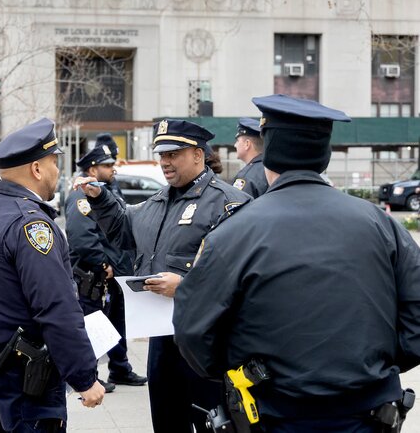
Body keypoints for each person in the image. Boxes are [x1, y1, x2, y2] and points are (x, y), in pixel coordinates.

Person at [173, 94, 420, 431]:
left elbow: (192, 329)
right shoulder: (382, 224)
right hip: (368, 411)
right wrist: (376, 365)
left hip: (275, 411)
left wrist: (242, 371)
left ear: (269, 151)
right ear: (325, 155)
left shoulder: (234, 232)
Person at [76, 119, 251, 433]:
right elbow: (125, 229)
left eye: (173, 154)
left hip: (207, 342)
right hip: (162, 340)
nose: (165, 162)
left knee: (211, 423)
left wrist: (185, 287)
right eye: (161, 154)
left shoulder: (228, 203)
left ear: (197, 154)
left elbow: (241, 277)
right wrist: (100, 199)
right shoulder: (159, 201)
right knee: (167, 419)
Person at [0, 117, 104, 432]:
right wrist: (84, 377)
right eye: (54, 163)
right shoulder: (30, 225)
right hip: (29, 376)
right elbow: (55, 307)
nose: (58, 171)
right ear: (37, 169)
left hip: (2, 368)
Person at [65, 144, 147, 393]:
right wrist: (103, 265)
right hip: (93, 275)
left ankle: (120, 368)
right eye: (107, 166)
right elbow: (82, 238)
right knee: (93, 325)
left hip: (112, 274)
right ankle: (91, 376)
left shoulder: (106, 192)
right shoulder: (81, 197)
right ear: (92, 169)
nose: (113, 169)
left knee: (115, 323)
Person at [231, 117, 268, 198]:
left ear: (247, 144)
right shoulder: (271, 169)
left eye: (237, 141)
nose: (235, 145)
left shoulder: (246, 177)